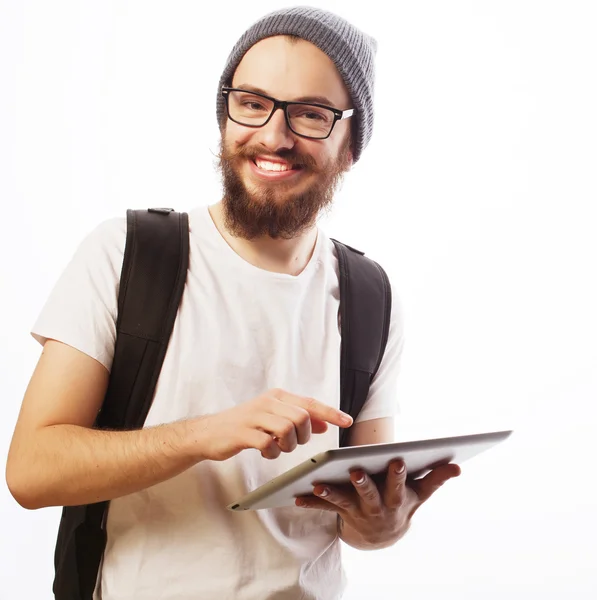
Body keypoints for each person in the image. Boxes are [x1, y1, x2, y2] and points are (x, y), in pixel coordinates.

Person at [6, 6, 460, 599]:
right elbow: (32, 471)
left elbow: (362, 521)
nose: (274, 135)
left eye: (311, 115)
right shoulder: (126, 253)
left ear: (352, 147)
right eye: (253, 103)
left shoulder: (371, 294)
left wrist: (382, 524)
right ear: (225, 114)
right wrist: (204, 434)